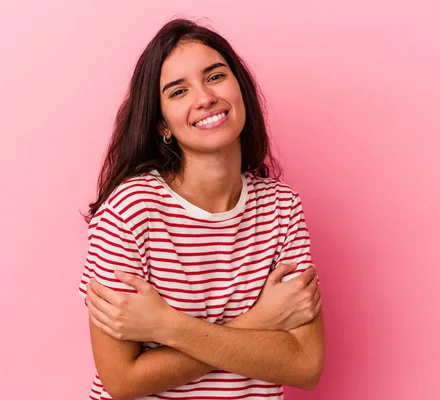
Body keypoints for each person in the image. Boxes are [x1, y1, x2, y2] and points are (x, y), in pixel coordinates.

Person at [78, 18, 324, 400]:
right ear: (163, 125)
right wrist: (259, 322)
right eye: (178, 91)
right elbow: (122, 381)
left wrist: (168, 327)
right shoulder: (129, 212)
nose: (204, 97)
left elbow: (305, 365)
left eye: (214, 77)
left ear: (240, 89)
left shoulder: (282, 207)